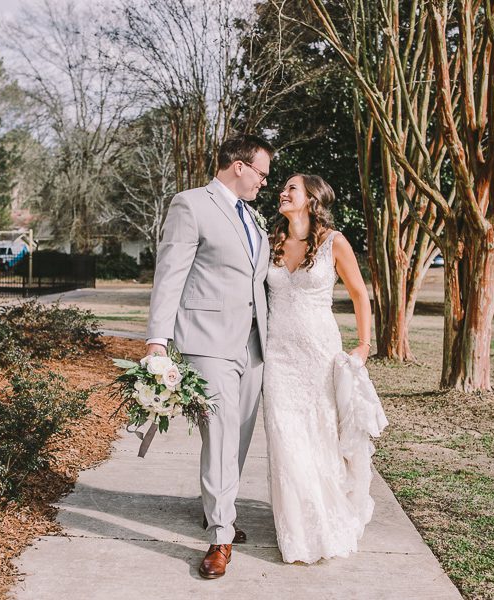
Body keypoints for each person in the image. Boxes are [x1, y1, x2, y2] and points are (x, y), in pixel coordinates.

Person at [144, 134, 274, 579]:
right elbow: (170, 274)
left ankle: (218, 509)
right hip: (207, 341)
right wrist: (158, 339)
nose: (263, 182)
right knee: (219, 435)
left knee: (238, 437)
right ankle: (221, 535)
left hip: (252, 345)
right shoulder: (191, 204)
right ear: (239, 166)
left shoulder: (253, 218)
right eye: (261, 173)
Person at [263, 173, 381, 564]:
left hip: (318, 356)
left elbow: (360, 294)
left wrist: (364, 345)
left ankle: (325, 520)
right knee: (285, 440)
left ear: (311, 199)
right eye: (283, 187)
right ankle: (297, 532)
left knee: (319, 438)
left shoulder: (335, 242)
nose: (282, 192)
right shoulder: (271, 241)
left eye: (291, 188)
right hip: (278, 357)